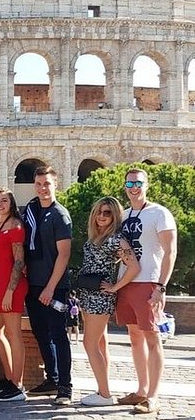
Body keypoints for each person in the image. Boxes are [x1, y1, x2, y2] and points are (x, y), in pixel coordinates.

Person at [115, 168, 177, 414]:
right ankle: (141, 390)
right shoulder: (124, 214)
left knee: (152, 337)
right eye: (129, 183)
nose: (134, 187)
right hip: (127, 281)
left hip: (149, 281)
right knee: (134, 337)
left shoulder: (159, 213)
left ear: (147, 184)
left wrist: (161, 287)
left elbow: (170, 251)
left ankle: (153, 395)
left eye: (138, 182)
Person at [78, 196, 139, 407]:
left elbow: (134, 267)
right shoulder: (98, 237)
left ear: (115, 216)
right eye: (99, 212)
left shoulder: (115, 239)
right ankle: (103, 390)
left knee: (90, 343)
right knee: (100, 344)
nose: (101, 216)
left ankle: (104, 395)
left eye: (107, 213)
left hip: (99, 297)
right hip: (89, 293)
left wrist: (114, 287)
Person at [22, 166, 73, 405]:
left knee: (58, 335)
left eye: (47, 184)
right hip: (33, 283)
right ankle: (51, 379)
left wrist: (50, 288)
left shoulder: (60, 215)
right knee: (41, 333)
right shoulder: (31, 211)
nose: (43, 188)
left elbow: (64, 255)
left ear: (55, 185)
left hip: (54, 286)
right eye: (39, 184)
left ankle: (65, 386)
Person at [0, 188, 28, 402]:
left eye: (4, 200)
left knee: (13, 334)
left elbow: (19, 261)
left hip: (11, 287)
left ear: (11, 202)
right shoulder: (1, 224)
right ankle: (10, 377)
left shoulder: (15, 225)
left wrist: (9, 292)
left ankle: (17, 385)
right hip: (1, 286)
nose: (0, 204)